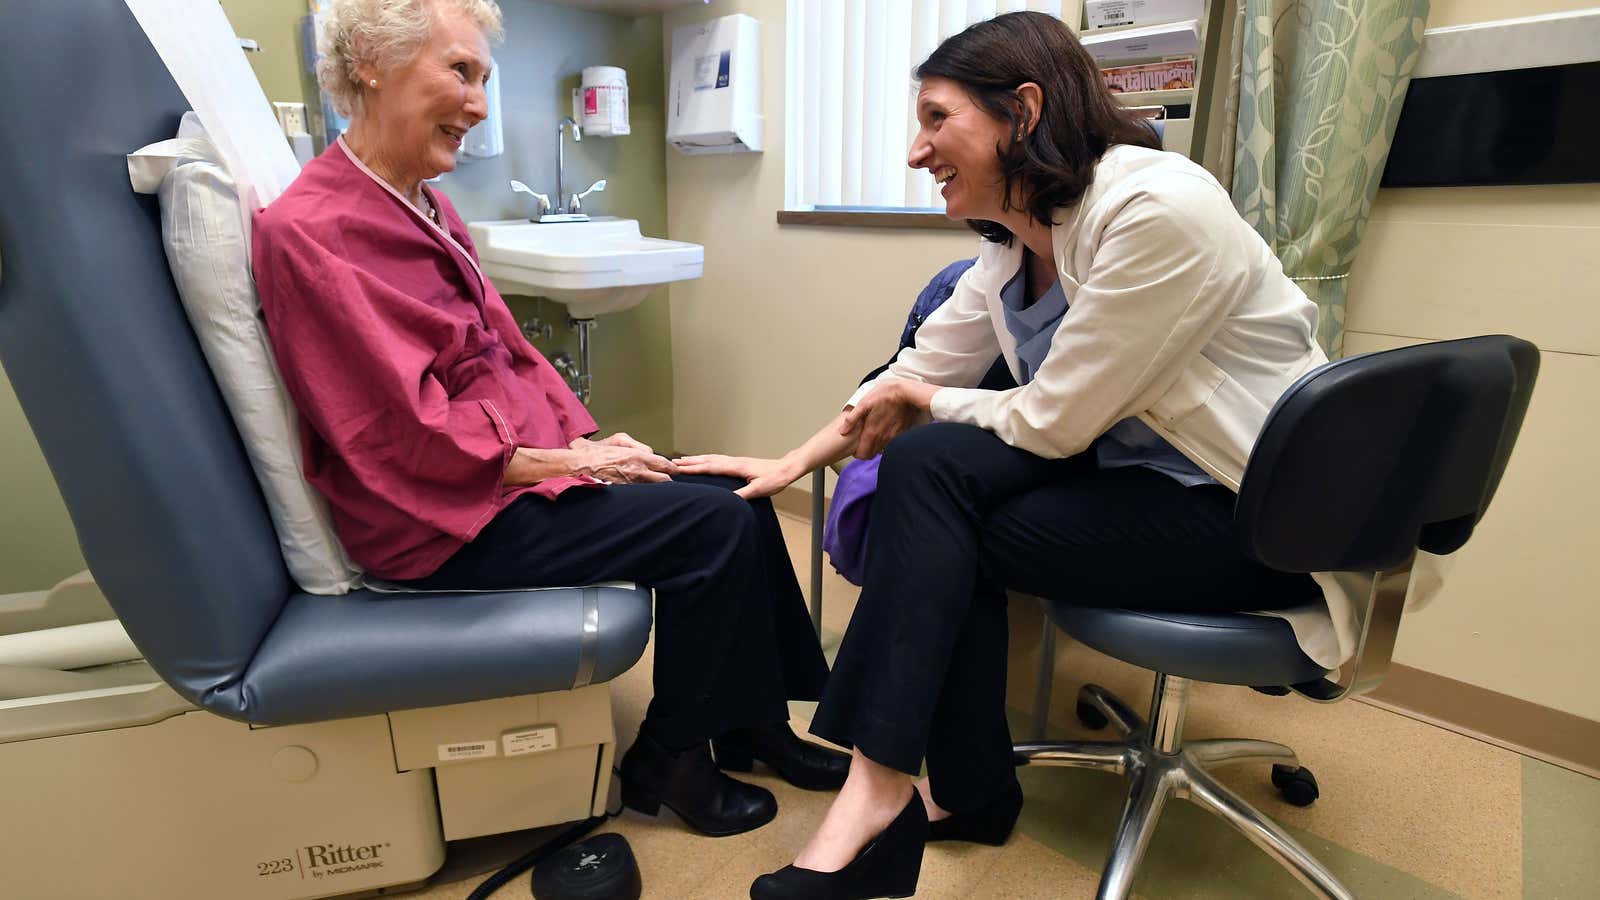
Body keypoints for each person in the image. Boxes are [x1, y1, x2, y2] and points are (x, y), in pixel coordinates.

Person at [673, 11, 1331, 898]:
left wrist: (923, 406)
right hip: (1146, 491)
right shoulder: (1016, 249)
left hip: (1254, 516)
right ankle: (947, 789)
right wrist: (789, 464)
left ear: (1023, 110)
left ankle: (890, 795)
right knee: (932, 475)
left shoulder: (1157, 209)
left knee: (938, 494)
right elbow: (911, 376)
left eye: (938, 119)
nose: (917, 151)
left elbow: (1052, 422)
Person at [251, 0, 847, 840]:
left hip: (502, 479)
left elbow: (514, 350)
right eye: (458, 71)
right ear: (369, 66)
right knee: (710, 528)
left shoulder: (420, 203)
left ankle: (753, 726)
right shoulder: (312, 232)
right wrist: (567, 465)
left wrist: (596, 441)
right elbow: (396, 432)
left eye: (484, 78)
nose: (480, 103)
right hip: (440, 520)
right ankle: (670, 755)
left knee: (729, 489)